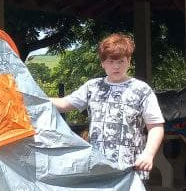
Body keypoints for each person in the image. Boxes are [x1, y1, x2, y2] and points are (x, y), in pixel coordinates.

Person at [52, 34, 164, 180]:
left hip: (131, 168)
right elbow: (64, 104)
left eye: (121, 61)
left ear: (129, 61)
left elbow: (155, 126)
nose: (116, 66)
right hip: (98, 167)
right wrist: (29, 99)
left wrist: (148, 154)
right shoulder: (92, 87)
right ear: (102, 63)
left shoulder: (142, 89)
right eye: (111, 61)